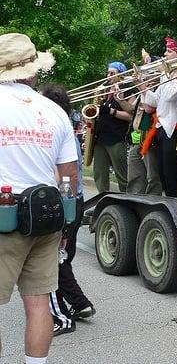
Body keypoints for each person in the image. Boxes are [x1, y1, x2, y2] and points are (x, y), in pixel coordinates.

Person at [0, 33, 78, 364]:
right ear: (32, 71)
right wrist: (65, 224)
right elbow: (70, 177)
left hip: (4, 216)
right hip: (46, 217)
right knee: (38, 304)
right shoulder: (55, 111)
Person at [39, 84, 96, 336]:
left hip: (64, 202)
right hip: (73, 201)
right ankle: (80, 304)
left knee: (52, 259)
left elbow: (63, 175)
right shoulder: (63, 129)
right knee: (61, 258)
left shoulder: (58, 132)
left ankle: (61, 314)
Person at [140, 37, 177, 197]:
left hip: (175, 127)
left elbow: (170, 95)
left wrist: (165, 74)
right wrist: (142, 88)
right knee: (162, 171)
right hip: (161, 127)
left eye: (169, 51)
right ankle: (169, 200)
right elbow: (155, 101)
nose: (164, 54)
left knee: (171, 171)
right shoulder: (166, 73)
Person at [92, 61, 136, 193]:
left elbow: (130, 115)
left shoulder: (128, 90)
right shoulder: (103, 91)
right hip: (100, 138)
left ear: (120, 75)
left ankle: (126, 200)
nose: (108, 75)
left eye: (112, 73)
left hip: (116, 138)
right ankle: (102, 199)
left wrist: (112, 111)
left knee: (121, 174)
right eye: (108, 72)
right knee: (99, 173)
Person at [126, 93, 162, 195]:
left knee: (152, 176)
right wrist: (119, 99)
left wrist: (143, 88)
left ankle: (151, 203)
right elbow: (131, 110)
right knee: (134, 176)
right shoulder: (141, 93)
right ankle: (133, 201)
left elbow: (148, 108)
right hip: (136, 139)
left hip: (150, 140)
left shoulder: (154, 90)